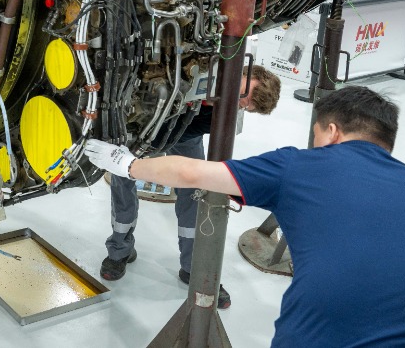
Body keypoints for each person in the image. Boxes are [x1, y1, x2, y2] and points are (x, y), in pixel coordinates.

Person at [86, 85, 405, 347]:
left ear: (333, 132)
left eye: (317, 135)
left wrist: (126, 164)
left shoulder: (298, 167)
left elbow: (192, 173)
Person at [101, 64, 281, 310]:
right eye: (244, 95)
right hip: (144, 120)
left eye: (245, 106)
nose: (238, 103)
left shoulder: (226, 114)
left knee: (195, 192)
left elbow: (183, 135)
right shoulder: (214, 62)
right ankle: (119, 250)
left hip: (184, 131)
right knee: (122, 177)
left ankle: (193, 267)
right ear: (245, 72)